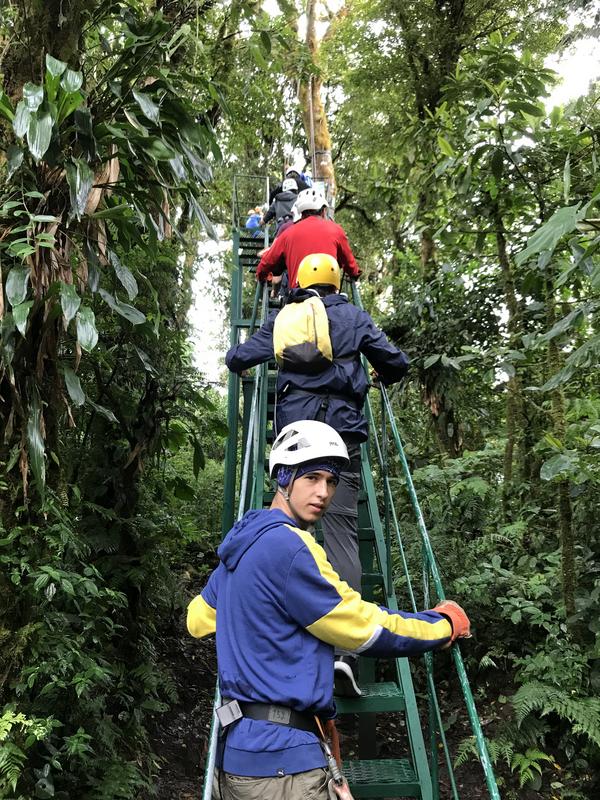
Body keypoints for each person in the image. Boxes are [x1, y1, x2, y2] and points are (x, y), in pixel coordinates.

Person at [187, 420, 471, 800]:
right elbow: (362, 628)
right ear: (284, 478)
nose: (324, 493)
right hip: (283, 770)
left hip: (236, 756)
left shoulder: (243, 544)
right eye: (312, 478)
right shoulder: (291, 548)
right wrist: (441, 626)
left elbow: (197, 619)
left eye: (331, 481)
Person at [226, 255, 410, 696]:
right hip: (341, 439)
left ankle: (286, 632)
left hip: (296, 442)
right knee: (343, 533)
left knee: (286, 528)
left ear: (301, 282)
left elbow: (238, 359)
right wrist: (376, 372)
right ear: (337, 281)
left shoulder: (286, 317)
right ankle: (345, 652)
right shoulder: (355, 316)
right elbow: (397, 363)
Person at [255, 188, 360, 290]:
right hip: (329, 296)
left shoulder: (287, 234)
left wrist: (260, 275)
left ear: (301, 213)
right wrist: (354, 274)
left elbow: (268, 261)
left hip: (299, 296)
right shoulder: (336, 230)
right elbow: (350, 263)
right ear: (323, 211)